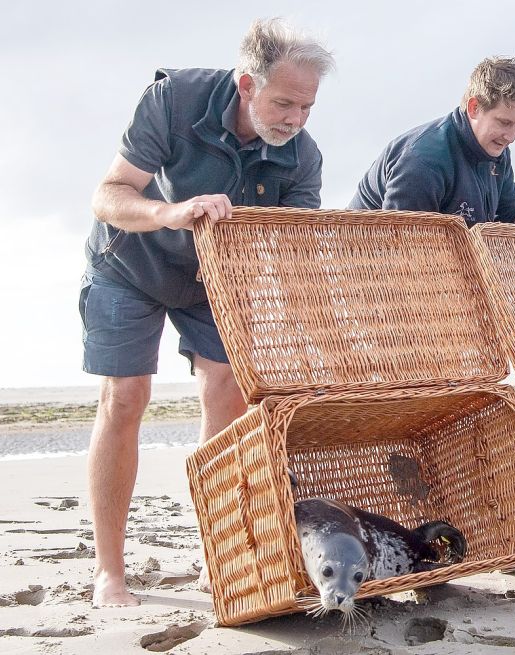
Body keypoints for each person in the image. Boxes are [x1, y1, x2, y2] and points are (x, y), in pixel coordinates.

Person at [80, 18, 335, 607]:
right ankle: (109, 573)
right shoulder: (173, 100)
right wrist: (174, 212)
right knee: (126, 397)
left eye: (306, 107)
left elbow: (291, 251)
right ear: (247, 84)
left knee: (227, 389)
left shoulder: (304, 157)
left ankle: (212, 551)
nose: (295, 119)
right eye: (284, 103)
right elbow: (109, 194)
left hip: (213, 282)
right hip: (130, 264)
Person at [348, 56, 515, 238]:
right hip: (368, 265)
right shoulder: (423, 161)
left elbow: (510, 210)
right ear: (474, 107)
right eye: (504, 122)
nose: (512, 136)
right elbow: (400, 241)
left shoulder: (498, 150)